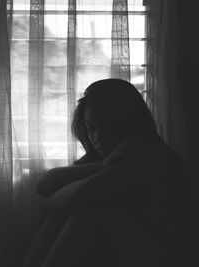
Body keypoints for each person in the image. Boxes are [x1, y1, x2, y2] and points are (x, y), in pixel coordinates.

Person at [22, 79, 196, 267]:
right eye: (91, 129)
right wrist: (103, 165)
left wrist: (50, 203)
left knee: (91, 213)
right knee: (66, 214)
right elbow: (45, 185)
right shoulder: (107, 157)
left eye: (107, 127)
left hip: (164, 257)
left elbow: (76, 198)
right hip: (123, 252)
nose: (97, 137)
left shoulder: (146, 155)